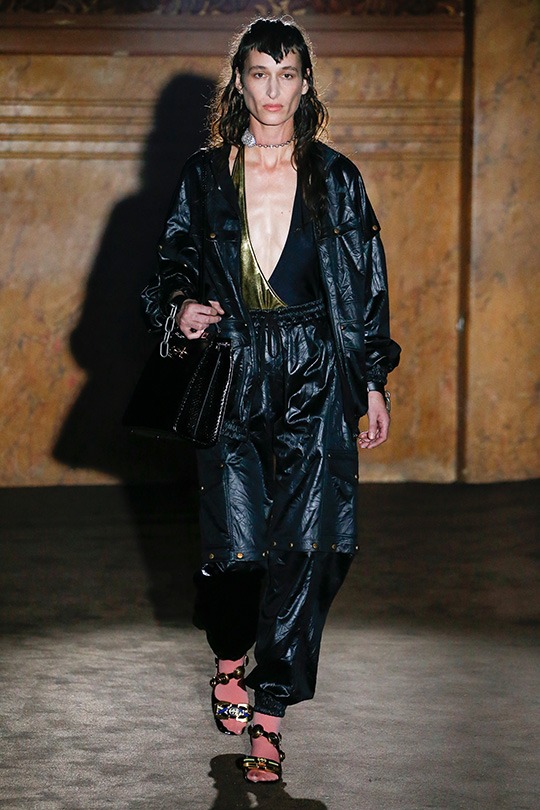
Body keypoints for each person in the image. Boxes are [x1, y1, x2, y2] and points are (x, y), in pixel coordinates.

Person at [141, 16, 400, 784]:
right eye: (260, 73)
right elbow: (170, 263)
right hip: (233, 366)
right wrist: (180, 308)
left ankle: (270, 713)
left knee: (311, 544)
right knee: (240, 548)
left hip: (315, 370)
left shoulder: (335, 178)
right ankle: (229, 655)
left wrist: (372, 381)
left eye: (287, 75)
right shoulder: (205, 175)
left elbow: (365, 285)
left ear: (305, 83)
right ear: (241, 81)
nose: (274, 90)